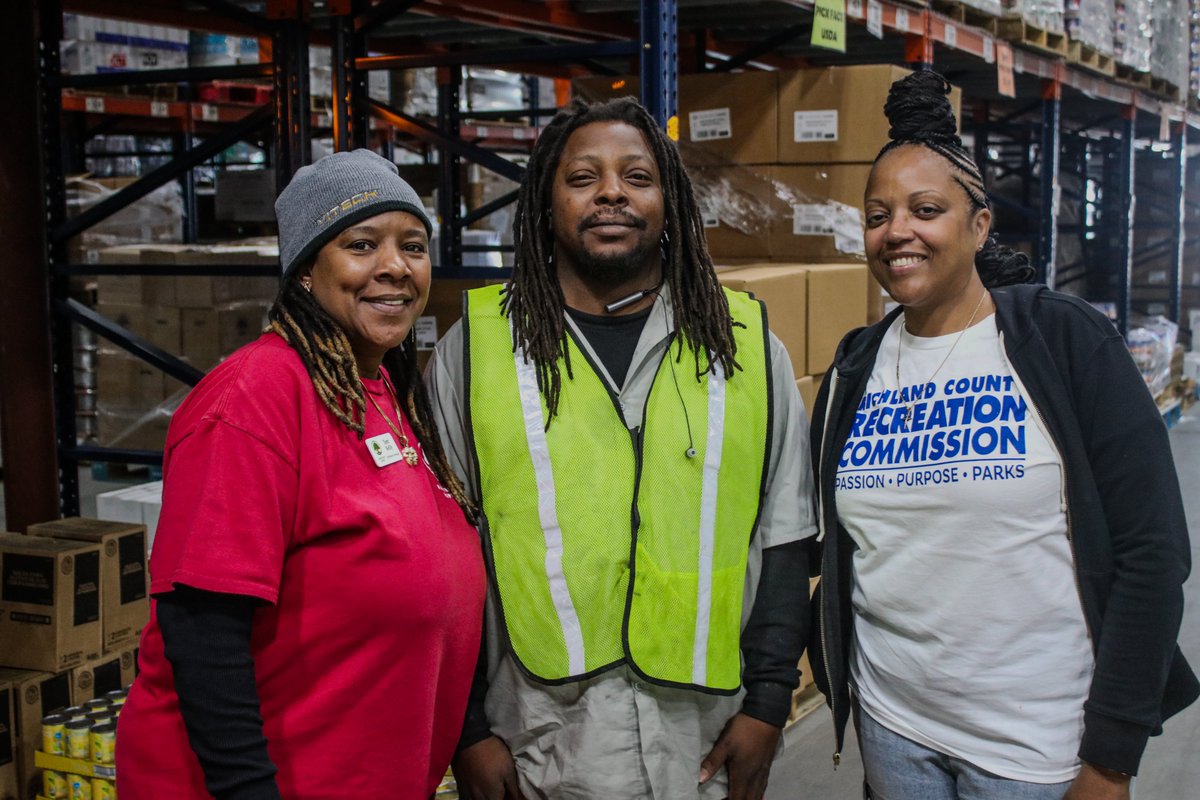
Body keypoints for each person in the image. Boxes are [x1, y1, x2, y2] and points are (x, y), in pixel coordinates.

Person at [808, 70, 1199, 800]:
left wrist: (1111, 757)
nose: (897, 232)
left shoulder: (1063, 340)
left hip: (1037, 745)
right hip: (893, 726)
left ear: (979, 224)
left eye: (927, 209)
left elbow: (1153, 553)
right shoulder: (857, 364)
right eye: (877, 215)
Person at [425, 97, 816, 800]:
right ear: (546, 202)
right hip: (543, 747)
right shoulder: (475, 353)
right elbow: (444, 559)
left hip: (703, 743)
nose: (611, 192)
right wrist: (467, 731)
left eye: (637, 176)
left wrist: (767, 704)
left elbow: (784, 539)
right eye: (583, 177)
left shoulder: (746, 348)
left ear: (669, 203)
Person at [116, 149, 486, 799]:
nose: (396, 267)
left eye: (413, 246)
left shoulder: (386, 392)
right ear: (307, 271)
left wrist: (471, 730)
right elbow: (203, 629)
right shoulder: (255, 398)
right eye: (362, 245)